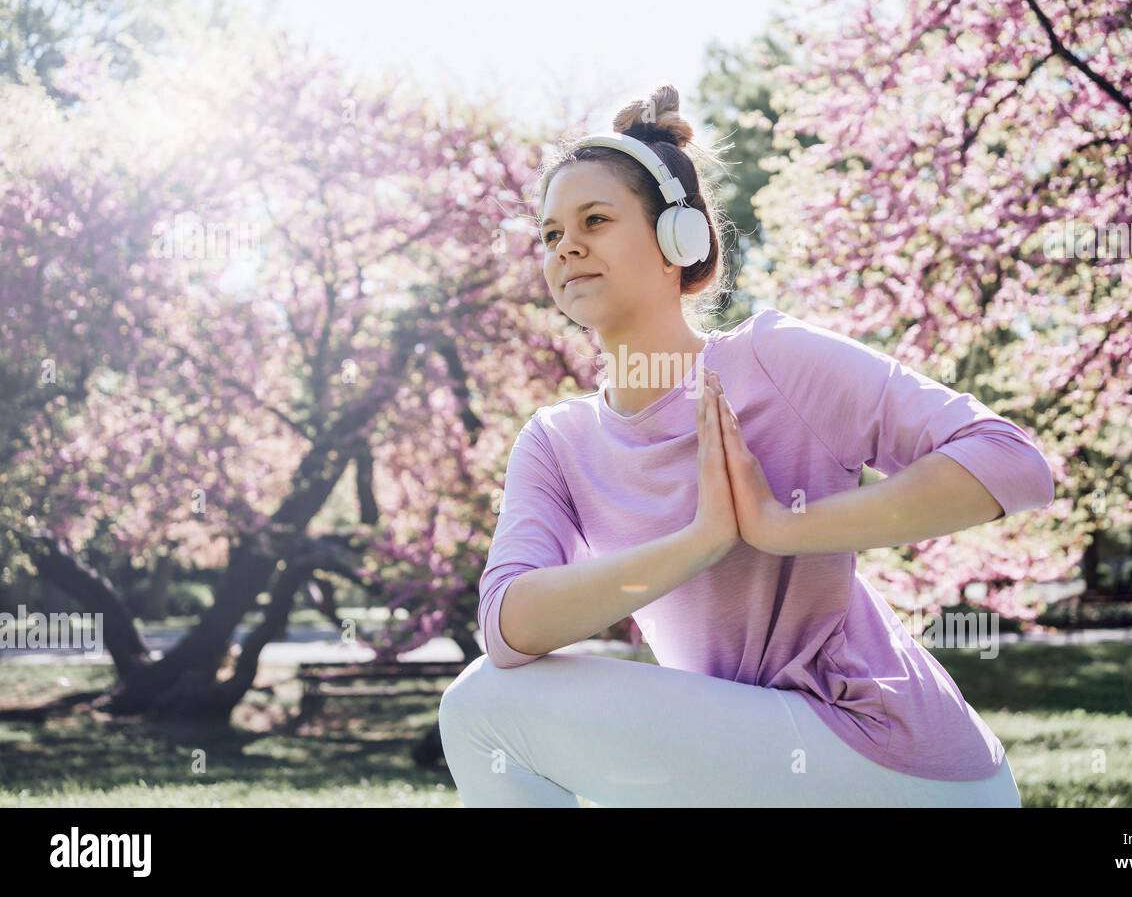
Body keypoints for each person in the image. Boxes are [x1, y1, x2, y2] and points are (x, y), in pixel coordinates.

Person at [437, 84, 1055, 807]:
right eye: (549, 234)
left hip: (895, 758)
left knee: (480, 712)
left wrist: (782, 528)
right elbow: (509, 628)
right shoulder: (557, 441)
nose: (566, 245)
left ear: (679, 241)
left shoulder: (772, 361)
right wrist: (700, 542)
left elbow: (1013, 461)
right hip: (766, 758)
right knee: (490, 695)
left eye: (595, 220)